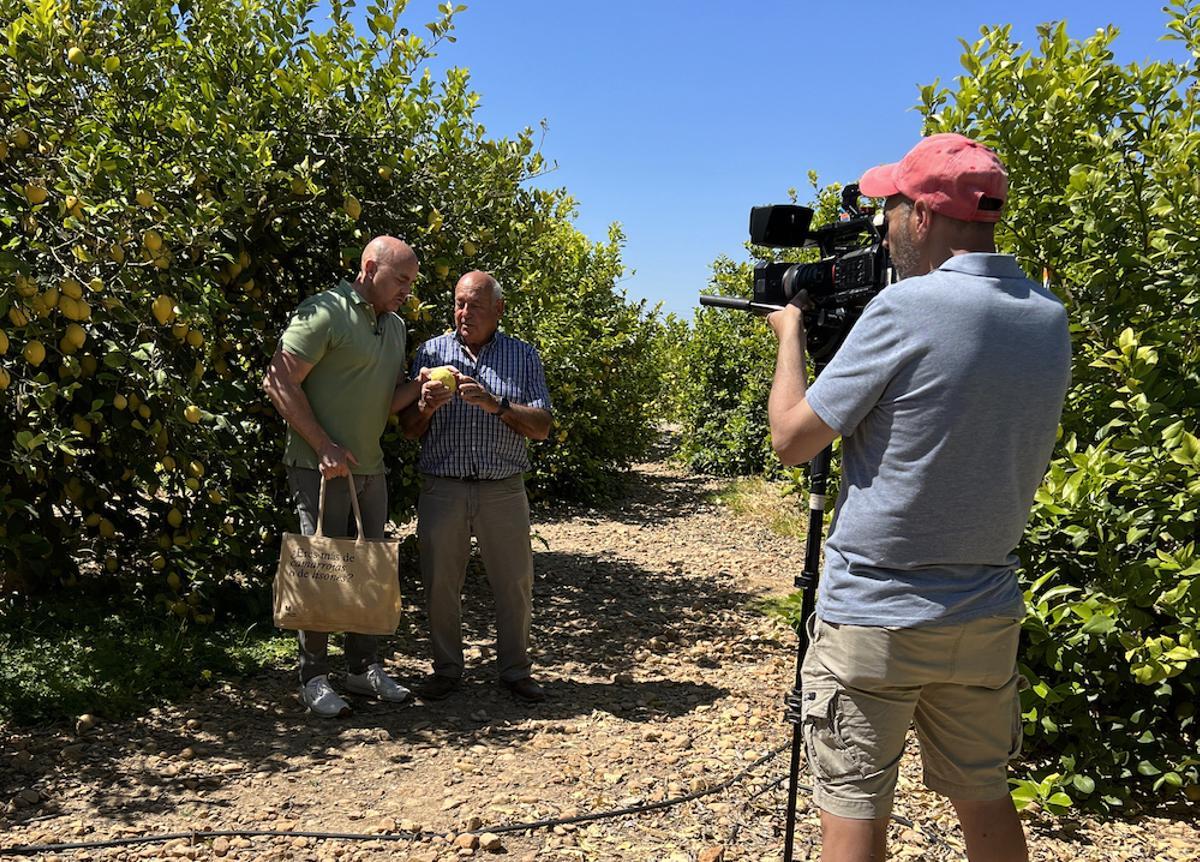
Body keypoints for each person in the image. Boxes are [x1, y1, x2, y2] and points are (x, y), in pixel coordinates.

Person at [766, 133, 1071, 862]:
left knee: (853, 808)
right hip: (984, 609)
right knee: (984, 797)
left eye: (893, 208)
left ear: (927, 216)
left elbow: (792, 440)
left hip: (876, 614)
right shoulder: (1046, 316)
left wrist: (789, 337)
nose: (886, 225)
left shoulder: (905, 310)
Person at [263, 236, 426, 718]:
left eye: (411, 284)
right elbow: (278, 379)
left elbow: (384, 398)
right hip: (320, 469)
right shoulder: (325, 311)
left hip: (369, 468)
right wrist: (322, 445)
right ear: (369, 268)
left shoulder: (394, 327)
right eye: (401, 280)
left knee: (367, 571)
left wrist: (420, 391)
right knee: (321, 569)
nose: (406, 292)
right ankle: (313, 676)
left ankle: (362, 668)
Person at [400, 270, 552, 703]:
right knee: (440, 584)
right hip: (442, 487)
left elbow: (542, 427)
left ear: (499, 310)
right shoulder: (431, 353)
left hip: (502, 488)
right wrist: (425, 408)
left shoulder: (522, 356)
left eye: (476, 305)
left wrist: (496, 404)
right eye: (460, 304)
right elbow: (408, 429)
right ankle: (446, 670)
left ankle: (515, 671)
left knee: (514, 584)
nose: (465, 313)